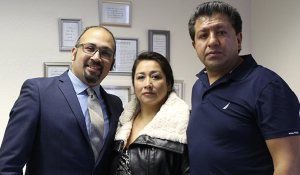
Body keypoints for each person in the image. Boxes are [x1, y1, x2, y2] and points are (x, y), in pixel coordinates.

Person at [187, 1, 300, 175]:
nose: (212, 41)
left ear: (239, 39)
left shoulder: (267, 86)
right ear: (195, 46)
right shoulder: (199, 86)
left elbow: (290, 165)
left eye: (221, 32)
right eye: (203, 35)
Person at [0, 26, 123, 175]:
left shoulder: (116, 105)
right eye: (90, 48)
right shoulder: (38, 92)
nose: (97, 57)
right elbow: (8, 165)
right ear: (73, 53)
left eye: (105, 53)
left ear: (112, 63)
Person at [108, 51, 190, 175]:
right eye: (141, 77)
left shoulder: (185, 124)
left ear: (169, 84)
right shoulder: (122, 123)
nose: (147, 84)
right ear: (134, 85)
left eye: (155, 76)